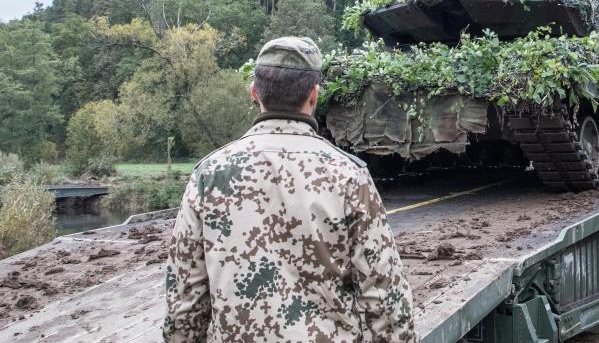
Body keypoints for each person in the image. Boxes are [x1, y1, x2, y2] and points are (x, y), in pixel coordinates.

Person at [164, 36, 417, 342]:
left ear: (254, 93)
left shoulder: (210, 174)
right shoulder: (349, 175)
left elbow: (185, 299)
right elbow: (385, 299)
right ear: (314, 95)